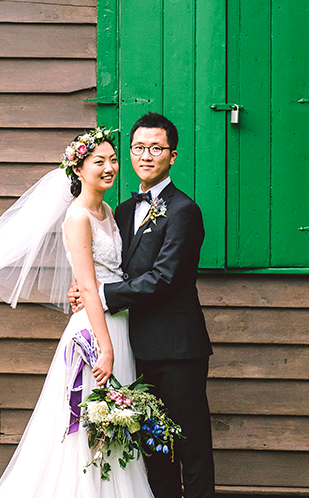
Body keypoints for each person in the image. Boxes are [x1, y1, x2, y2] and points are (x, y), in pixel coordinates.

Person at [0, 129, 153, 498]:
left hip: (118, 324)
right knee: (86, 422)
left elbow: (105, 275)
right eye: (99, 162)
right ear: (78, 169)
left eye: (113, 159)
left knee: (114, 423)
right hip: (95, 333)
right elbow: (89, 286)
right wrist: (105, 348)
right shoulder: (77, 218)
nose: (110, 168)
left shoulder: (108, 211)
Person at [72, 112, 215, 498]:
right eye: (138, 148)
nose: (146, 155)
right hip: (135, 347)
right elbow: (114, 268)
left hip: (177, 349)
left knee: (190, 442)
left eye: (156, 148)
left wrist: (100, 295)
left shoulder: (184, 211)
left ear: (173, 155)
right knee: (153, 447)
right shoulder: (120, 211)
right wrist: (86, 287)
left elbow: (165, 279)